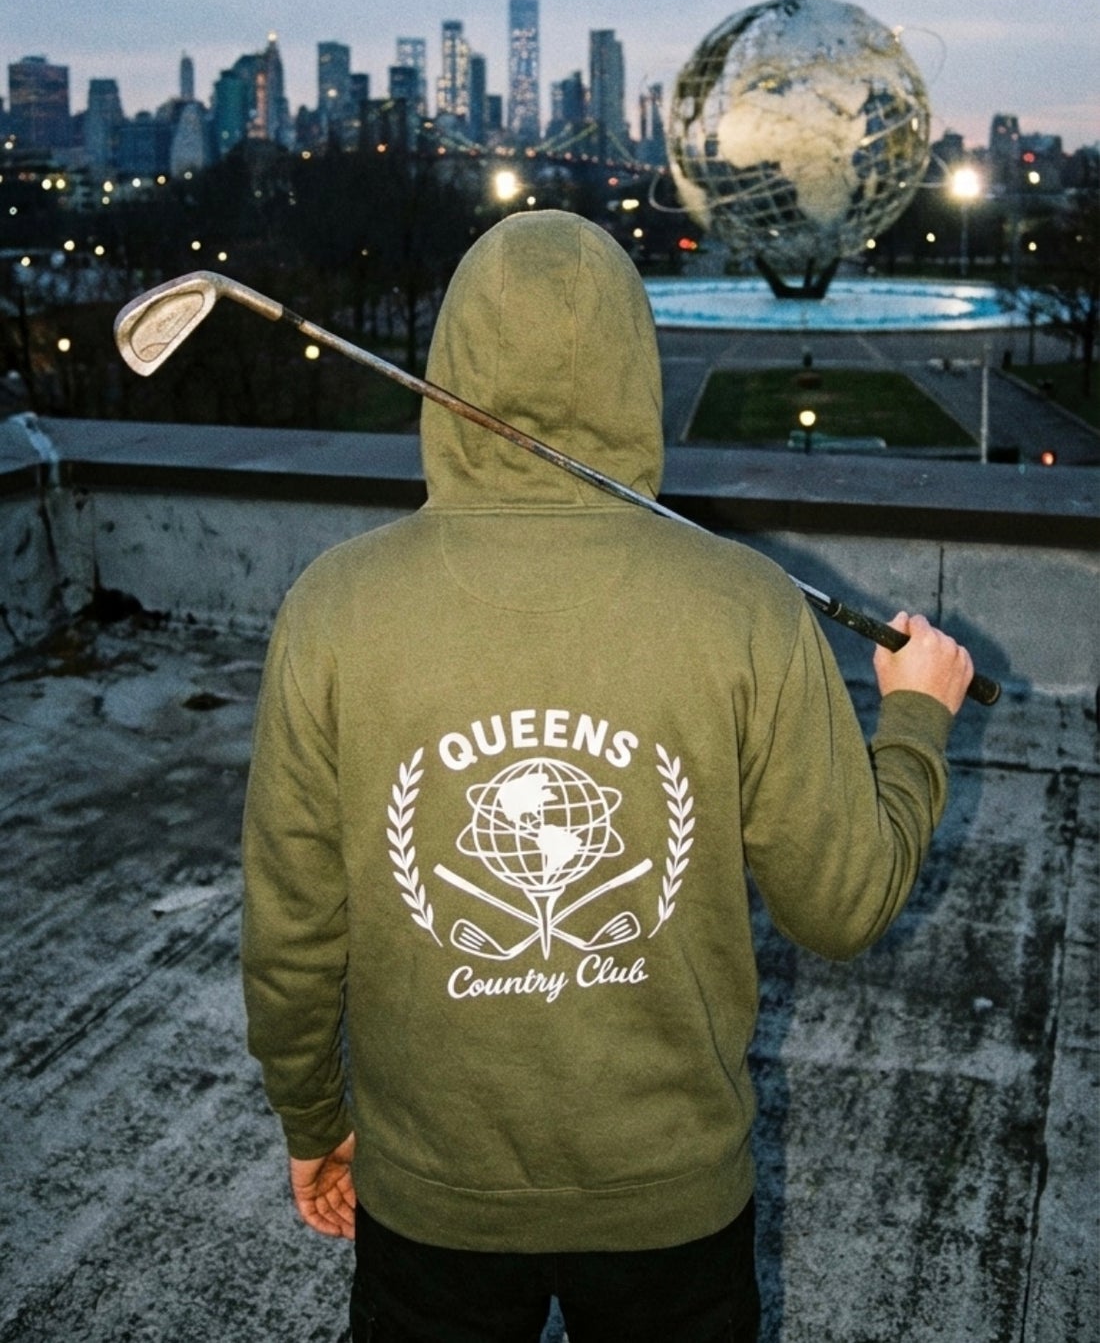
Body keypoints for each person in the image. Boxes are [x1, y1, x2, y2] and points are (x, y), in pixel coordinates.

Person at [241, 209, 973, 1343]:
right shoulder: (742, 605)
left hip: (428, 1197)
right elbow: (844, 906)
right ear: (631, 373)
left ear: (452, 368)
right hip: (671, 1206)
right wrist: (916, 718)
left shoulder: (334, 606)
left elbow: (291, 929)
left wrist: (312, 1119)